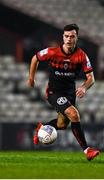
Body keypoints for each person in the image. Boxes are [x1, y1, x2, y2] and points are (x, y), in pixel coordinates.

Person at [27, 24, 100, 161]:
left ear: (76, 38)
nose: (69, 39)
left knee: (62, 124)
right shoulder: (52, 52)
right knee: (74, 114)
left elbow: (91, 78)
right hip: (54, 92)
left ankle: (42, 127)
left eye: (72, 36)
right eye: (66, 36)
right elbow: (35, 58)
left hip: (69, 93)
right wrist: (31, 78)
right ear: (63, 37)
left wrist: (84, 87)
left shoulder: (82, 56)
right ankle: (87, 150)